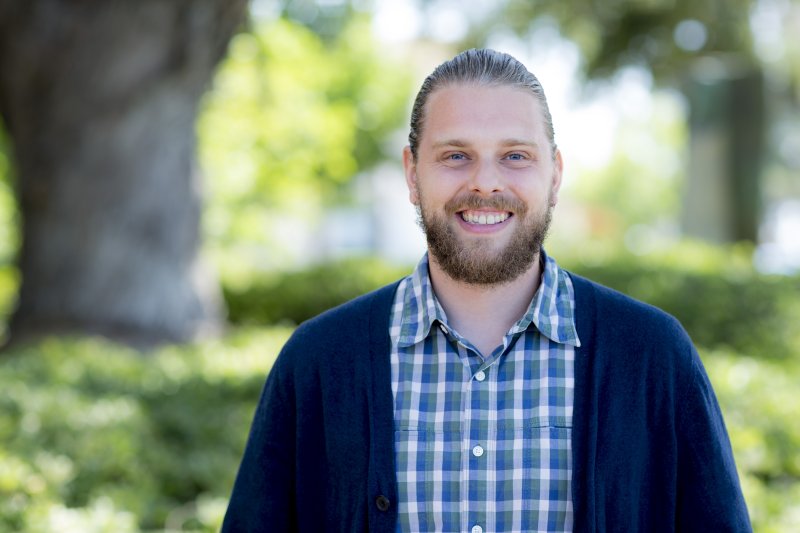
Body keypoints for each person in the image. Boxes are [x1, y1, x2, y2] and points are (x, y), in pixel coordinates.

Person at [222, 49, 751, 532]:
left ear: (555, 174)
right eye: (455, 156)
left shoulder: (653, 357)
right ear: (412, 174)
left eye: (515, 156)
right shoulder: (317, 362)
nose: (485, 183)